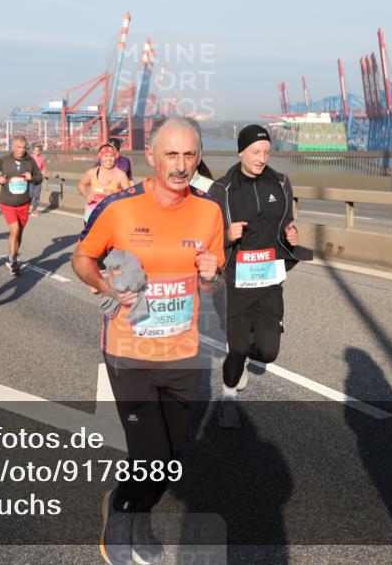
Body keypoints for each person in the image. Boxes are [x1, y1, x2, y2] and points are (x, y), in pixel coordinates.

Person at [71, 117, 225, 565]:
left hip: (182, 351)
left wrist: (213, 276)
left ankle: (135, 510)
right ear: (152, 158)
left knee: (172, 456)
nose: (180, 165)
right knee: (151, 454)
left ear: (199, 159)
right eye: (171, 155)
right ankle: (121, 513)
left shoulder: (210, 211)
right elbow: (82, 256)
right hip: (129, 349)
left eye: (190, 155)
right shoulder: (120, 208)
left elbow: (211, 282)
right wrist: (105, 287)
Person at [211, 124, 300, 429]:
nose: (262, 158)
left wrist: (290, 236)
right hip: (236, 281)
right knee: (236, 349)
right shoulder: (221, 189)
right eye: (255, 152)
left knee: (268, 352)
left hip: (270, 279)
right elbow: (207, 237)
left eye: (266, 152)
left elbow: (286, 223)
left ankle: (245, 352)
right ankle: (227, 400)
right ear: (241, 152)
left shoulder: (281, 182)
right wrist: (226, 234)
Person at [0, 135, 43, 277]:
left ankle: (11, 255)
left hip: (24, 203)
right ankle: (14, 261)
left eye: (24, 147)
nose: (21, 150)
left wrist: (31, 178)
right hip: (7, 202)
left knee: (19, 232)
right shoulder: (4, 160)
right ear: (13, 147)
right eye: (18, 147)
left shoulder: (30, 161)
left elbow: (39, 178)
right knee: (14, 230)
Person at [78, 143, 130, 223]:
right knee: (91, 236)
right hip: (91, 216)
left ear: (115, 157)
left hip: (112, 217)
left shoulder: (120, 175)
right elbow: (81, 184)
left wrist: (115, 195)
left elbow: (129, 194)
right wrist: (87, 194)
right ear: (100, 157)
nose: (109, 159)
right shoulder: (91, 173)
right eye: (105, 156)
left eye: (111, 156)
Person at [29, 145, 47, 216]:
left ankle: (34, 210)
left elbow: (44, 168)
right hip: (30, 178)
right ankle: (25, 207)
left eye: (38, 150)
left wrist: (43, 173)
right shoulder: (29, 158)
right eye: (35, 150)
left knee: (37, 195)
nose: (37, 151)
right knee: (30, 195)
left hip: (38, 179)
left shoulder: (42, 159)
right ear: (33, 151)